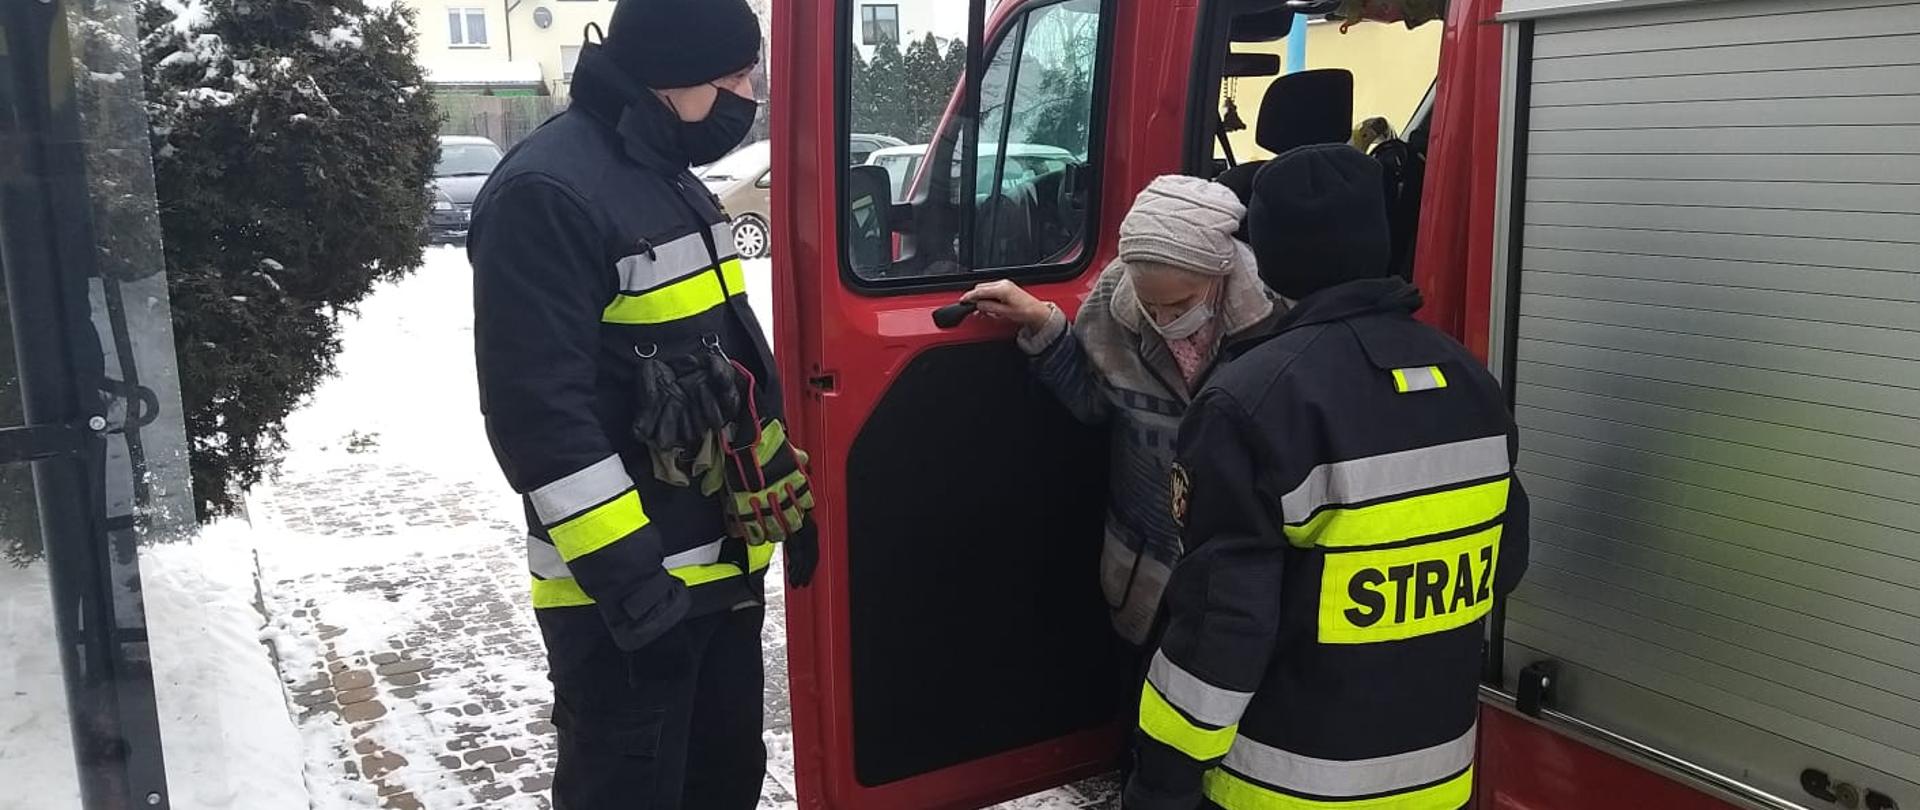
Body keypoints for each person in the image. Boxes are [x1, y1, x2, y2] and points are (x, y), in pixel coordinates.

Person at [468, 0, 816, 807]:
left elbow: (725, 368)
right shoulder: (547, 194)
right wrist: (635, 590)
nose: (745, 96)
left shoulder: (664, 176)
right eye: (731, 79)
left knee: (722, 783)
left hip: (715, 579)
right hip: (625, 607)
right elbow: (540, 422)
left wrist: (784, 503)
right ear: (668, 77)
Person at [1124, 145, 1531, 810]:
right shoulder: (1471, 383)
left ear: (1272, 259)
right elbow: (1503, 562)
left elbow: (1224, 628)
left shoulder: (1250, 403)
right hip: (1437, 777)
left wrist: (1161, 782)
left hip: (1286, 787)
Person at [962, 175, 1280, 648]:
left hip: (1242, 581)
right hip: (1146, 575)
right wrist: (1042, 323)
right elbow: (1092, 401)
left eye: (1180, 304)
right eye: (1149, 304)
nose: (1165, 320)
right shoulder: (1116, 302)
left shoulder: (1277, 317)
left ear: (1221, 274)